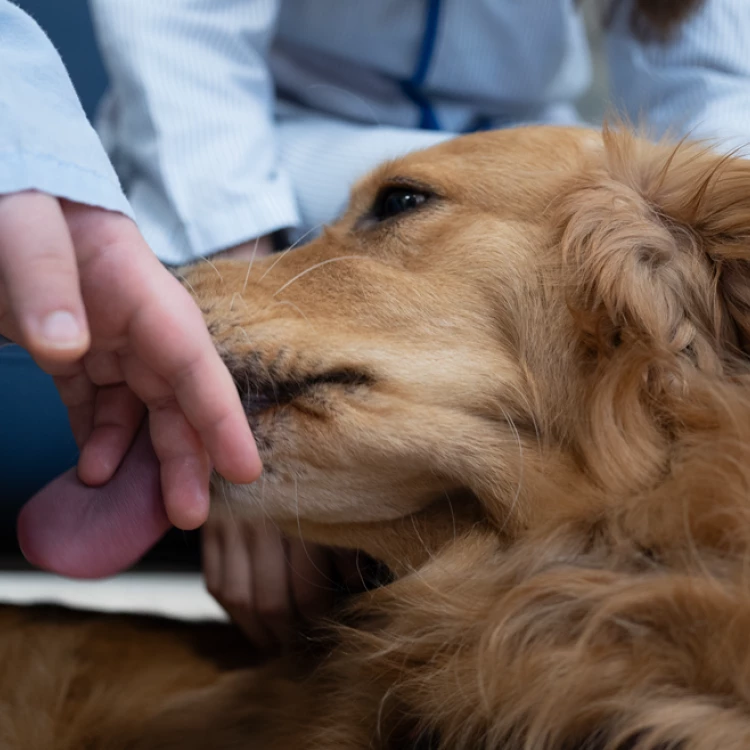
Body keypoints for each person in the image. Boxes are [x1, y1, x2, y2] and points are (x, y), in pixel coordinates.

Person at [4, 0, 750, 645]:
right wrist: (219, 372)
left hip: (532, 186)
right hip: (252, 160)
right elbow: (183, 40)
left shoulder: (592, 219)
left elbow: (715, 98)